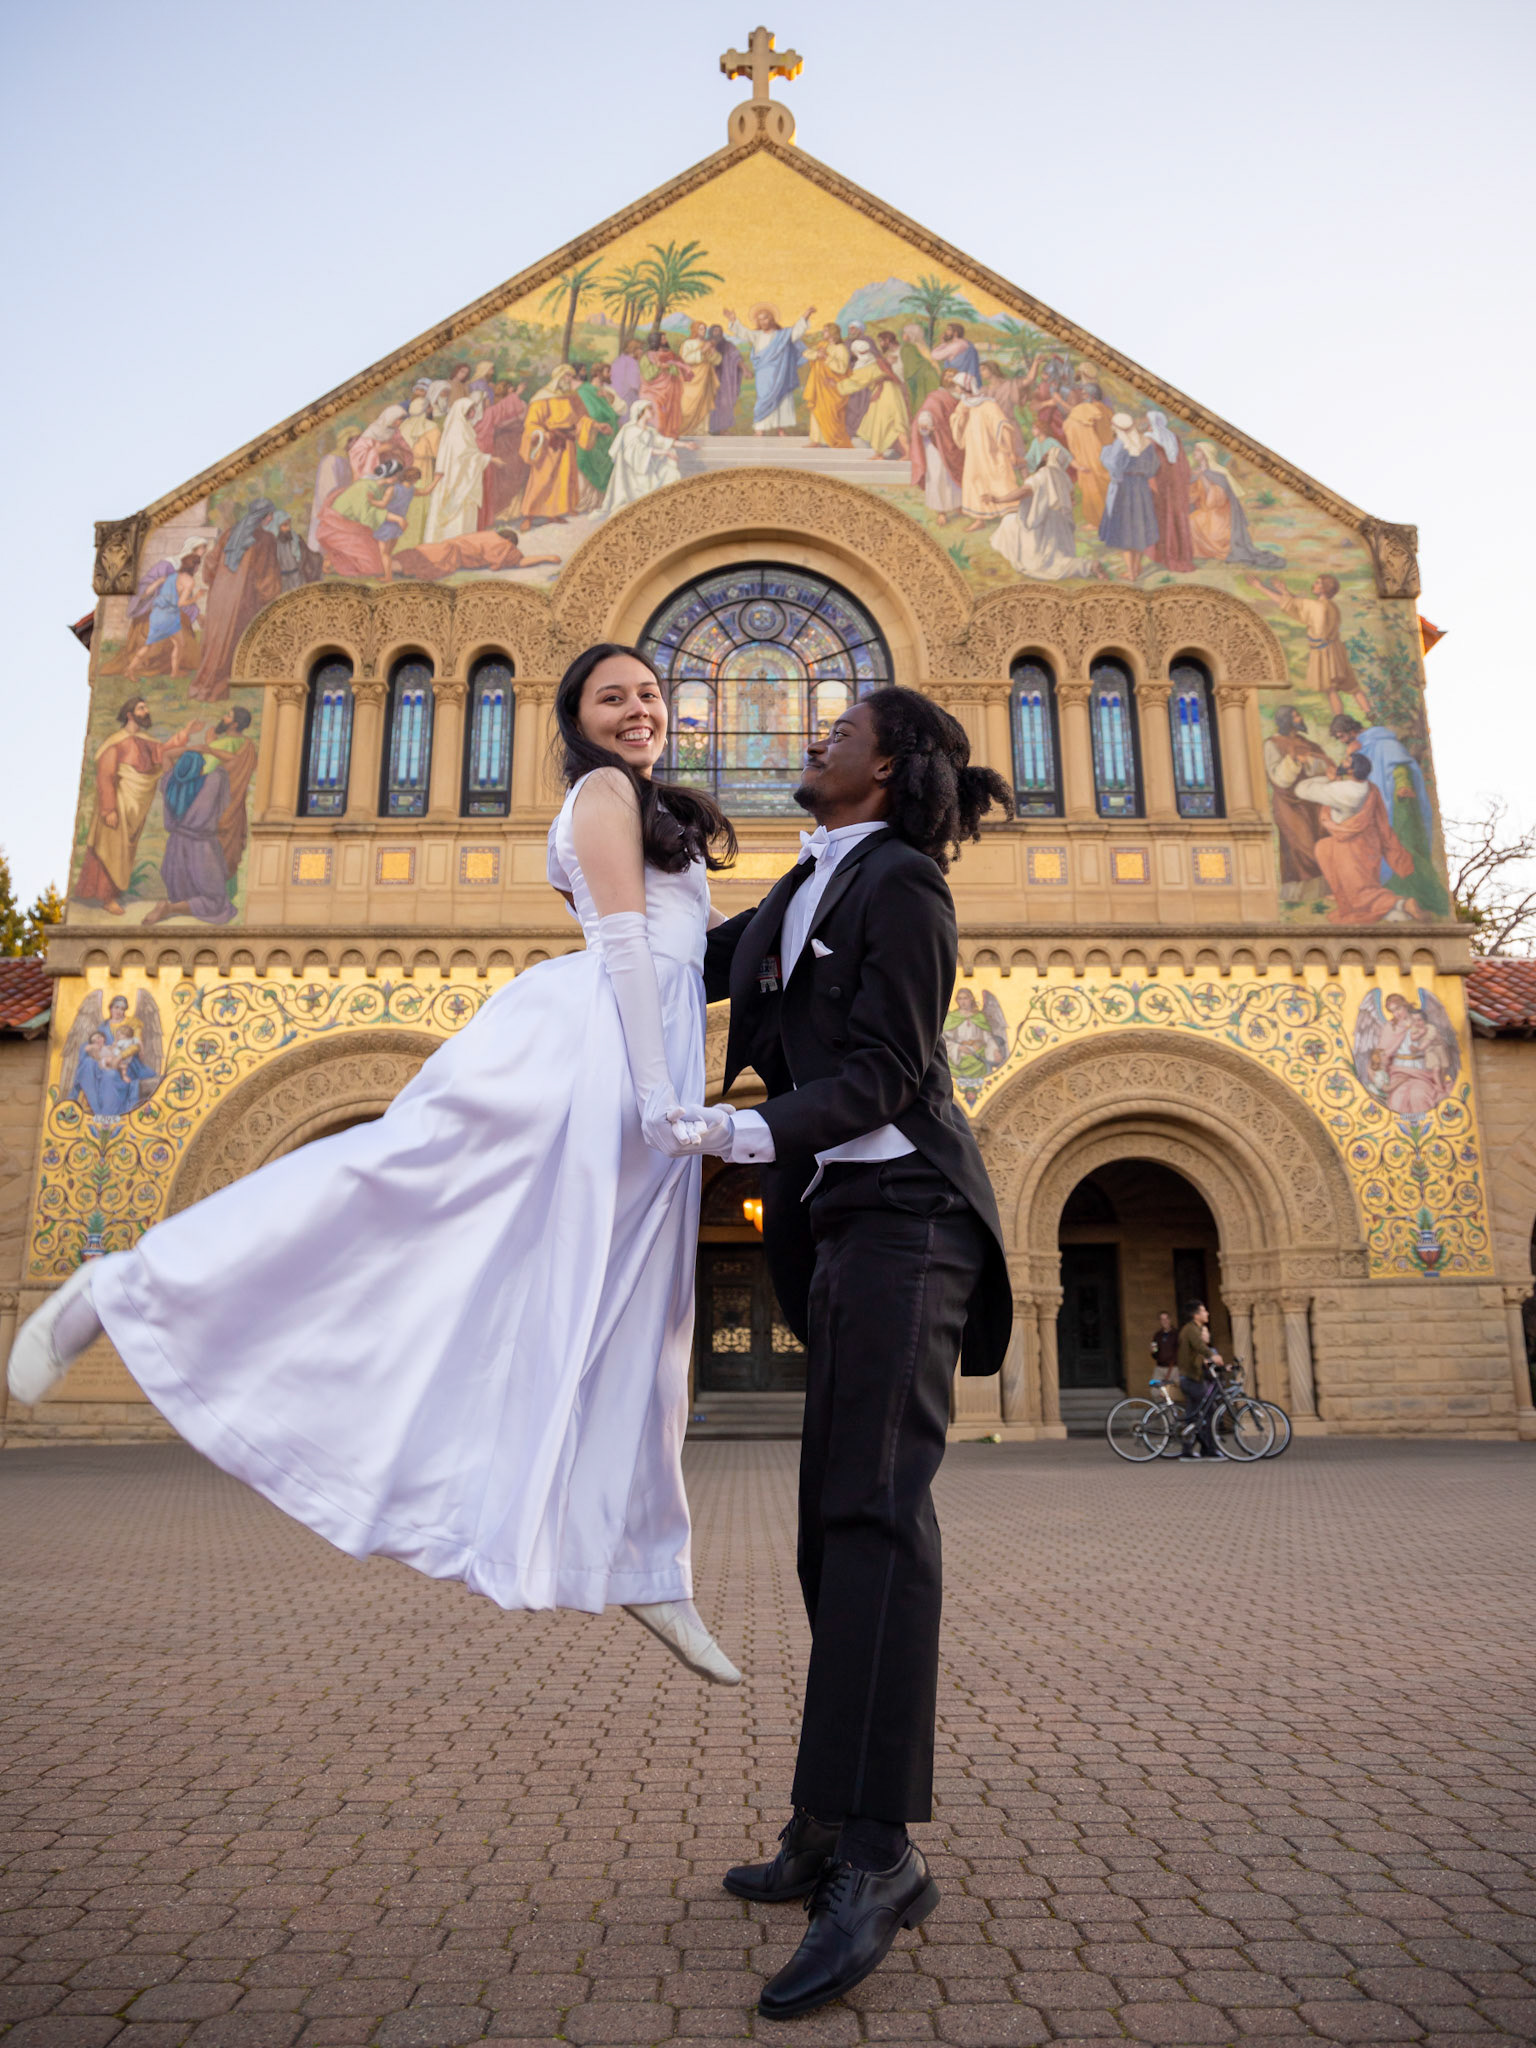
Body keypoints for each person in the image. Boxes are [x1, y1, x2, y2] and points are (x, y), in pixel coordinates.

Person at [12, 644, 745, 1688]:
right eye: (612, 697)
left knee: (640, 1310)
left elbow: (702, 959)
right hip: (593, 1053)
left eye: (650, 694)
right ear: (578, 719)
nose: (639, 710)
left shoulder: (653, 807)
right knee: (395, 1193)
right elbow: (626, 946)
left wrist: (819, 887)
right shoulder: (599, 792)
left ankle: (641, 1558)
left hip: (648, 1058)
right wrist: (659, 1092)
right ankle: (128, 1283)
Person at [660, 690, 1014, 2020]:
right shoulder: (801, 890)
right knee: (828, 1530)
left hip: (914, 1221)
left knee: (874, 1515)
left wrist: (740, 1133)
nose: (818, 735)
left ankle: (878, 1858)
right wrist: (609, 833)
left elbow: (889, 1071)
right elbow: (682, 966)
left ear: (892, 765)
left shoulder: (905, 888)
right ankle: (828, 1814)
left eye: (842, 724)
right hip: (842, 1230)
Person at [73, 697, 197, 915]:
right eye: (141, 708)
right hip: (118, 803)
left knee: (123, 852)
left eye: (146, 707)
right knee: (109, 848)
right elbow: (106, 775)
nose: (146, 711)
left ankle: (111, 895)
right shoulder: (115, 742)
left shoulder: (145, 740)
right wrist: (109, 809)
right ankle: (106, 897)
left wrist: (185, 732)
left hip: (134, 807)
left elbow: (164, 751)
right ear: (129, 714)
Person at [1292, 755, 1426, 922]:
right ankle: (1344, 894)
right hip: (1367, 843)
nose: (1342, 761)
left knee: (1361, 894)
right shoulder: (1366, 787)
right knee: (1323, 847)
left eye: (1347, 761)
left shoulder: (1344, 791)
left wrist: (1329, 779)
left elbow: (1301, 789)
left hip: (1351, 846)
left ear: (1353, 770)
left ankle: (1402, 904)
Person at [191, 501, 282, 700]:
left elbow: (211, 563)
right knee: (232, 637)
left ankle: (203, 683)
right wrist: (271, 596)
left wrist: (219, 584)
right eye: (269, 515)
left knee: (216, 636)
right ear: (262, 516)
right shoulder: (265, 539)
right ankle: (217, 685)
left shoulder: (229, 533)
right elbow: (266, 574)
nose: (271, 519)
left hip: (220, 595)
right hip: (243, 596)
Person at [1249, 574, 1369, 717]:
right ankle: (1371, 714)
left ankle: (1339, 720)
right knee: (1353, 688)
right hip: (1336, 649)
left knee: (1331, 690)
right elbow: (1297, 603)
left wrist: (1259, 587)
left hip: (1323, 652)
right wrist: (1285, 592)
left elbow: (1289, 604)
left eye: (1318, 583)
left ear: (1324, 589)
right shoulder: (1331, 606)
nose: (1314, 585)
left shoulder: (1316, 606)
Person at [984, 446, 1089, 580]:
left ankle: (1084, 566)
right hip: (1061, 529)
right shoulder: (1064, 478)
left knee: (1008, 522)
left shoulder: (1045, 473)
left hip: (1043, 527)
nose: (1043, 457)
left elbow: (1025, 491)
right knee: (1011, 519)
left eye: (1046, 455)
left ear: (1049, 458)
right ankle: (1084, 566)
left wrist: (999, 499)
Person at [1263, 706, 1333, 900]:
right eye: (1294, 715)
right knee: (1301, 846)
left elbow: (1326, 765)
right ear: (1285, 720)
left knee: (1321, 842)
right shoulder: (1272, 744)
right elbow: (1277, 777)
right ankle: (1301, 895)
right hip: (1289, 804)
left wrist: (1310, 762)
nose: (1299, 718)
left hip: (1314, 802)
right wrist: (1294, 760)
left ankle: (1325, 892)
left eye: (1298, 714)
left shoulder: (1307, 743)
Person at [723, 303, 816, 435]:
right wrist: (733, 320)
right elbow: (744, 333)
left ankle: (780, 429)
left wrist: (806, 315)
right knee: (763, 399)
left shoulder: (782, 335)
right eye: (760, 319)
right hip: (764, 374)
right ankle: (760, 429)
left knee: (782, 399)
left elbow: (796, 331)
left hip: (781, 372)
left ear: (771, 319)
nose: (763, 321)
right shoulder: (757, 335)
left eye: (765, 318)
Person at [952, 374, 1023, 530]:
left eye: (957, 385)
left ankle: (1009, 515)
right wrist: (962, 417)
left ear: (965, 387)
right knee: (974, 481)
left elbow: (1002, 426)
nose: (955, 389)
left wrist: (1011, 452)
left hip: (991, 452)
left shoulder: (988, 405)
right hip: (974, 453)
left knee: (999, 478)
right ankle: (979, 519)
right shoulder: (963, 405)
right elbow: (957, 424)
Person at [1099, 413, 1162, 579]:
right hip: (1141, 489)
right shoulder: (1146, 443)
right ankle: (1136, 567)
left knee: (1124, 532)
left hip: (1124, 490)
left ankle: (1132, 572)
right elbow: (1153, 468)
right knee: (1138, 530)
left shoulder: (1120, 444)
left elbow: (1113, 466)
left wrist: (1107, 451)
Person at [600, 399, 686, 513]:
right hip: (634, 473)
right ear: (641, 412)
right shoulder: (630, 430)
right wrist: (664, 452)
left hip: (647, 467)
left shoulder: (650, 431)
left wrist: (685, 444)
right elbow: (634, 452)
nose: (653, 411)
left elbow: (663, 441)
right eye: (649, 409)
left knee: (672, 473)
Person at [1144, 410, 1194, 574]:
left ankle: (1164, 554)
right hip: (1174, 482)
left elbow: (1147, 464)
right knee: (1173, 515)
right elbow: (1183, 465)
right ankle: (1178, 554)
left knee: (1162, 516)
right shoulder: (1173, 438)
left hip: (1159, 481)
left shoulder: (1150, 438)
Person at [1176, 1301, 1220, 1458]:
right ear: (1196, 1315)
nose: (1207, 1313)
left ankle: (1187, 1450)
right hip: (1191, 1378)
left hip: (1192, 1377)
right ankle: (1209, 1449)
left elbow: (1199, 1351)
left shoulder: (1194, 1329)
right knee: (1210, 1410)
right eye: (1203, 1311)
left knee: (1194, 1414)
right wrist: (1213, 1355)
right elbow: (1199, 1346)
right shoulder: (1191, 1330)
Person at [1149, 1310, 1178, 1385]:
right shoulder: (1157, 1335)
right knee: (1155, 1391)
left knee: (1174, 1392)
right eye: (1162, 1319)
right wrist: (1153, 1351)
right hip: (1160, 1367)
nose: (1164, 1321)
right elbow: (1154, 1351)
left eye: (1166, 1319)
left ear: (1170, 1320)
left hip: (1174, 1368)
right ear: (1160, 1321)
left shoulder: (1177, 1334)